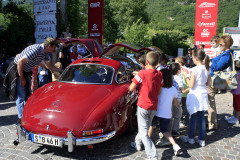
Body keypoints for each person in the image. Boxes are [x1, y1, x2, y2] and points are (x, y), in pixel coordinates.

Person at [3, 37, 62, 123]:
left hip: (25, 70)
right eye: (54, 47)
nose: (55, 49)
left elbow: (49, 66)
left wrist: (61, 70)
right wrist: (21, 78)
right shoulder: (36, 49)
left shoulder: (44, 53)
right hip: (17, 69)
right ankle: (22, 120)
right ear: (49, 46)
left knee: (28, 94)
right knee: (21, 95)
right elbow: (20, 62)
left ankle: (27, 115)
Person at [129, 51, 163, 160]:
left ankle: (153, 156)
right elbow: (159, 92)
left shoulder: (142, 73)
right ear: (157, 62)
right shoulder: (160, 74)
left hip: (143, 105)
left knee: (144, 132)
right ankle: (137, 144)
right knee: (144, 128)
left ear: (146, 62)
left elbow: (131, 88)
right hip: (153, 106)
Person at [181, 49, 211, 147]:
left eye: (193, 58)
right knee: (202, 117)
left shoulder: (194, 70)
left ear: (196, 58)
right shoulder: (207, 69)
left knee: (193, 117)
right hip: (203, 93)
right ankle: (202, 139)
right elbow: (209, 83)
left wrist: (186, 76)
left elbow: (191, 85)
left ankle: (191, 138)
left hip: (195, 94)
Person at [148, 68, 182, 156]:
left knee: (151, 125)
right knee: (165, 131)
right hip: (167, 114)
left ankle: (147, 143)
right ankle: (175, 145)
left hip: (157, 112)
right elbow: (175, 103)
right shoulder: (174, 89)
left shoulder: (159, 88)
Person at [208, 35, 234, 130]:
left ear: (226, 44)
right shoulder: (224, 53)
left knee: (210, 101)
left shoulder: (226, 55)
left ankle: (212, 124)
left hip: (213, 79)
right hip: (212, 78)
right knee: (210, 101)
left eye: (221, 43)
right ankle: (211, 122)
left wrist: (211, 63)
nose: (219, 45)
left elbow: (217, 67)